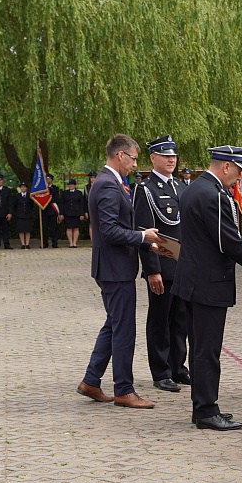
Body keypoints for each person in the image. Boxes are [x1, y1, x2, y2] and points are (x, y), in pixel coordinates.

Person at [174, 145, 242, 430]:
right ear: (227, 166)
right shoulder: (212, 195)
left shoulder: (195, 188)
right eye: (239, 171)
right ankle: (206, 410)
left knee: (199, 348)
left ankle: (202, 407)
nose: (240, 178)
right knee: (207, 351)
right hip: (207, 283)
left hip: (194, 280)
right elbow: (228, 241)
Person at [78, 134, 161, 408]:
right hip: (115, 269)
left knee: (114, 325)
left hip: (115, 267)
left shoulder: (112, 183)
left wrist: (141, 235)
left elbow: (114, 225)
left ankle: (91, 381)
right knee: (124, 329)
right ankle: (124, 390)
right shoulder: (107, 186)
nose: (135, 165)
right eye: (134, 158)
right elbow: (110, 230)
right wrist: (142, 237)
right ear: (120, 155)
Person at [135, 134, 190, 392]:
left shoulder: (181, 187)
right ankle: (161, 371)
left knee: (181, 319)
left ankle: (178, 367)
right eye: (165, 155)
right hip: (162, 265)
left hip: (182, 265)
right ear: (153, 158)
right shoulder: (145, 189)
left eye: (173, 156)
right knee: (160, 320)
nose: (171, 160)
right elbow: (144, 232)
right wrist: (152, 270)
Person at [58, 178, 88, 247]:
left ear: (75, 185)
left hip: (76, 213)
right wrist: (61, 213)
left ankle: (75, 243)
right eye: (69, 185)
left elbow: (82, 204)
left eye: (72, 184)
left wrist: (82, 214)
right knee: (69, 228)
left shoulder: (79, 193)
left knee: (76, 228)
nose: (70, 186)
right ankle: (70, 243)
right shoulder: (64, 193)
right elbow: (61, 204)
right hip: (67, 213)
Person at [12, 180, 35, 248]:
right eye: (22, 187)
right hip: (20, 215)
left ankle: (27, 244)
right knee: (21, 230)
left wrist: (31, 199)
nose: (23, 188)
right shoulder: (17, 196)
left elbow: (32, 206)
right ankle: (22, 243)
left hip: (28, 215)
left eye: (24, 187)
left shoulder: (29, 196)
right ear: (20, 188)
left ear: (26, 188)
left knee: (28, 230)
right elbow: (15, 205)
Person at [42, 173, 62, 248]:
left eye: (49, 178)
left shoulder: (55, 188)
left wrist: (49, 200)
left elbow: (56, 199)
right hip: (44, 210)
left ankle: (54, 243)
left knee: (53, 228)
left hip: (52, 210)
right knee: (45, 228)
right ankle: (44, 243)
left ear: (51, 180)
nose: (48, 180)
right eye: (46, 179)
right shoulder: (42, 189)